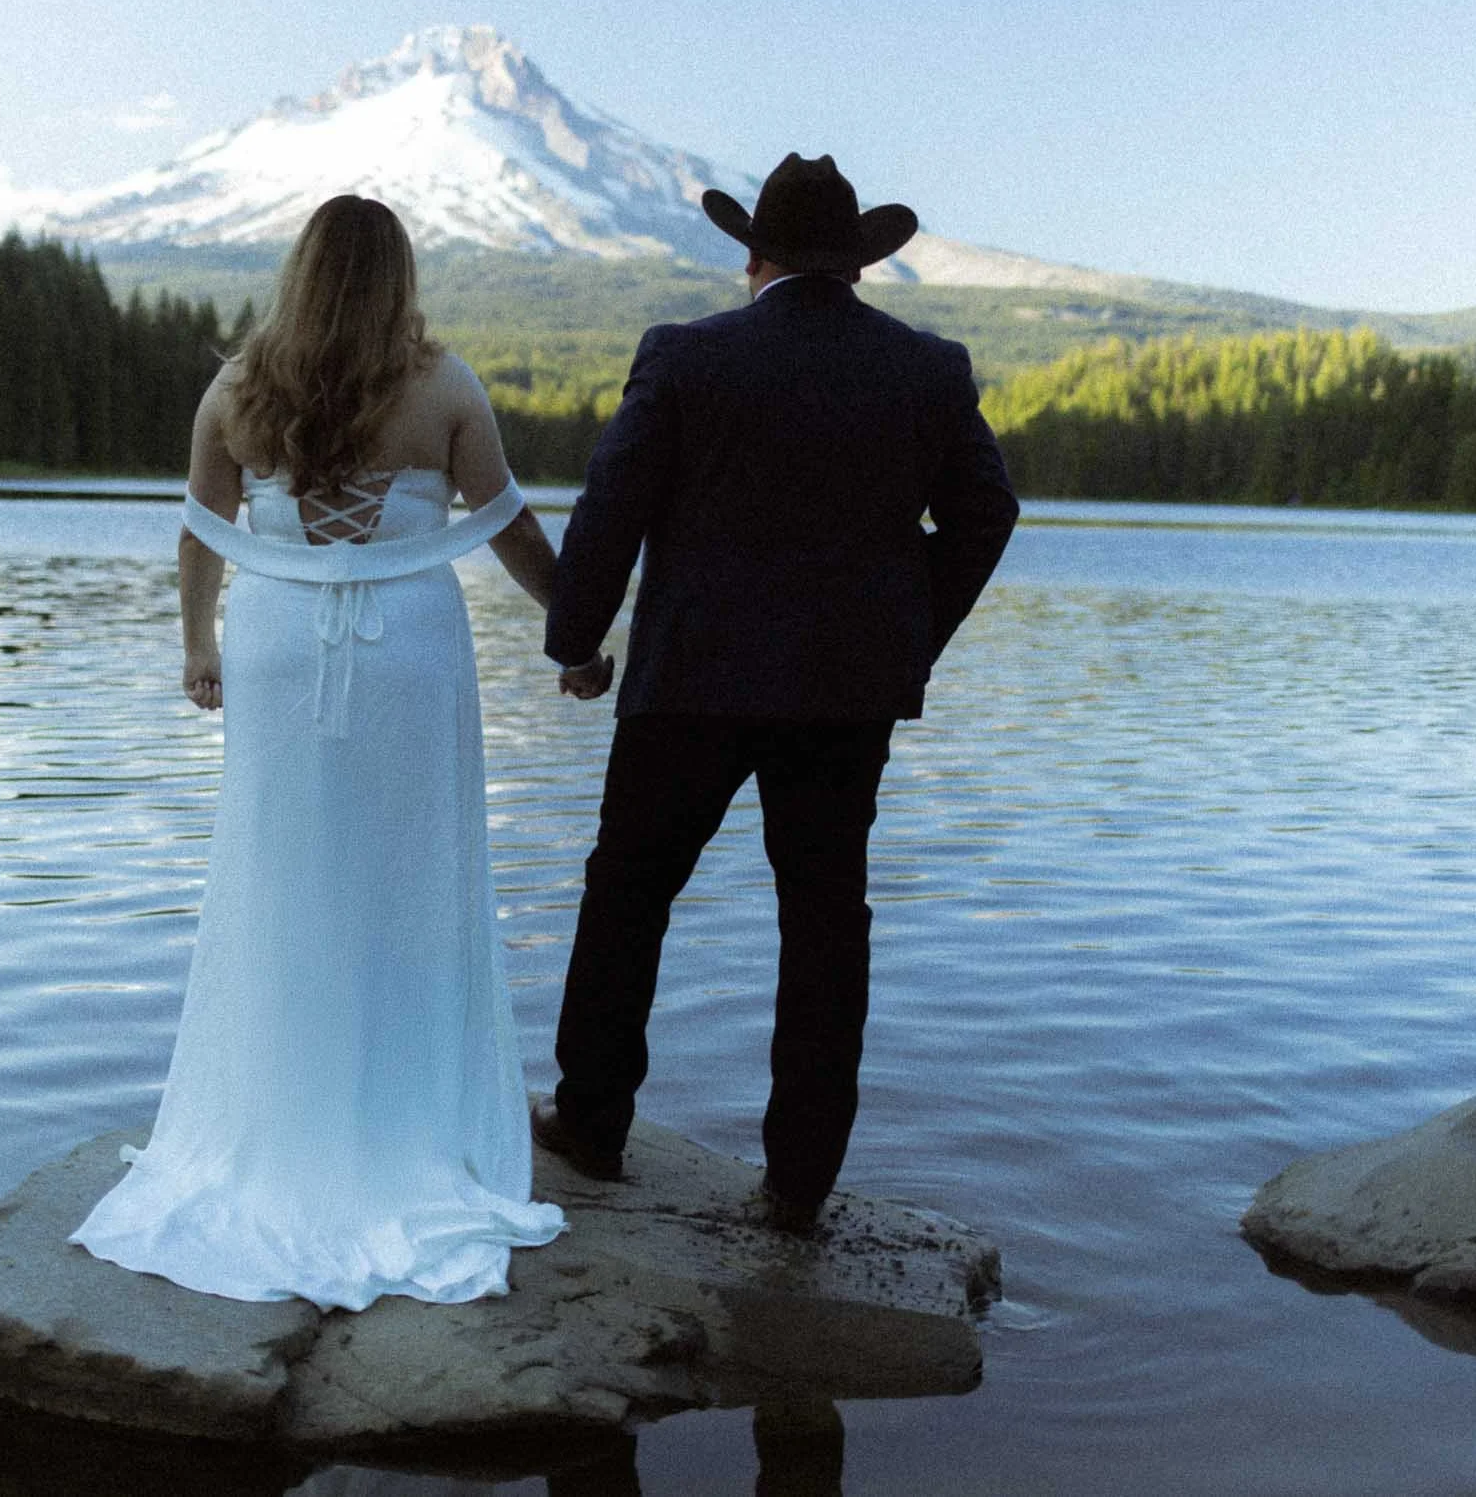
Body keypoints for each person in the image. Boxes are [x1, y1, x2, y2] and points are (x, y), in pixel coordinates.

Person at [70, 194, 569, 1308]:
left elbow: (202, 529)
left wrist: (200, 647)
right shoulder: (442, 385)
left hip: (279, 647)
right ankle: (401, 1125)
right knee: (409, 883)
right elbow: (513, 530)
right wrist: (576, 634)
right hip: (406, 653)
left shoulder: (236, 387)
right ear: (397, 278)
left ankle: (280, 1118)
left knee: (281, 878)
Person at [533, 153, 1021, 1234]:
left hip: (687, 683)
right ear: (856, 265)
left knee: (629, 892)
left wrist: (575, 639)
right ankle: (798, 1180)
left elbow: (609, 510)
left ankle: (592, 1122)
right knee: (822, 919)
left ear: (750, 254)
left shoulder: (685, 356)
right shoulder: (927, 369)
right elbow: (987, 515)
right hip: (846, 699)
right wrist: (907, 638)